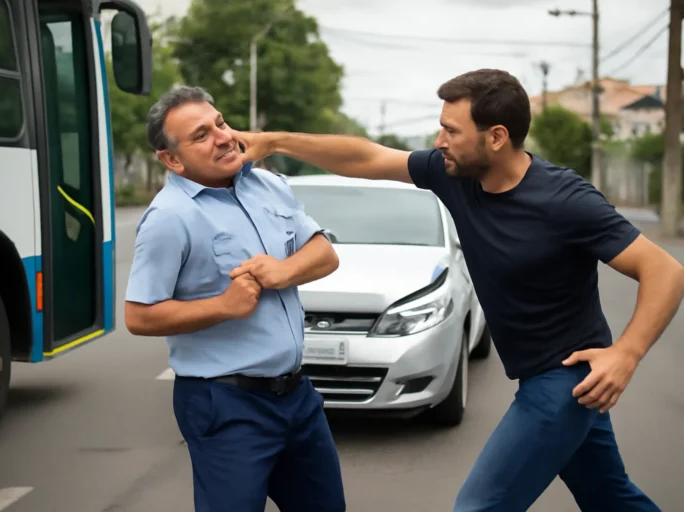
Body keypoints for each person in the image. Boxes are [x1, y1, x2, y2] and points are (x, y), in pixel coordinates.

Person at [234, 68, 684, 511]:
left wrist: (626, 353)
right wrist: (274, 141)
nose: (438, 141)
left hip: (563, 381)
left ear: (496, 137)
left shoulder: (566, 201)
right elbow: (368, 158)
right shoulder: (456, 176)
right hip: (553, 380)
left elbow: (664, 270)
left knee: (479, 506)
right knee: (609, 496)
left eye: (451, 130)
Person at [124, 85, 346, 512]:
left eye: (220, 123)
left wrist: (283, 271)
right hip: (226, 405)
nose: (223, 136)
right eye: (201, 135)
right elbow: (140, 315)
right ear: (172, 159)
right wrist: (223, 306)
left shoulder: (268, 185)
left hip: (298, 399)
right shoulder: (169, 217)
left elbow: (324, 254)